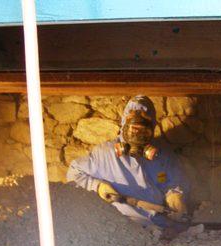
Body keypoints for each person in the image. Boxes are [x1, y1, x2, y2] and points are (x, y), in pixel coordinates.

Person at [67, 95, 189, 229]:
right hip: (124, 227)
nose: (137, 136)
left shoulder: (161, 156)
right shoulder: (105, 155)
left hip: (160, 222)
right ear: (124, 124)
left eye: (143, 130)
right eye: (134, 129)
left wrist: (175, 195)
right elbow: (75, 172)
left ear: (152, 128)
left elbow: (174, 180)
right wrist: (97, 186)